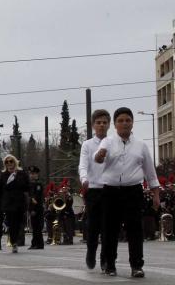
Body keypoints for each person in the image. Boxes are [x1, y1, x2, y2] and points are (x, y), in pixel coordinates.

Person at [95, 107, 160, 278]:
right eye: (120, 120)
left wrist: (156, 194)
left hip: (133, 191)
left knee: (135, 229)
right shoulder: (107, 142)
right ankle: (110, 264)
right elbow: (98, 157)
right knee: (110, 229)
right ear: (115, 124)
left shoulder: (141, 145)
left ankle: (136, 265)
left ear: (132, 123)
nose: (124, 123)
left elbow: (150, 172)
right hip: (111, 191)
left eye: (128, 120)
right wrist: (100, 155)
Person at [78, 109, 109, 268]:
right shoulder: (87, 145)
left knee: (108, 227)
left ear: (108, 125)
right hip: (93, 190)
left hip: (110, 190)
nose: (101, 125)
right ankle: (91, 252)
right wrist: (84, 179)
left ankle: (106, 259)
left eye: (104, 122)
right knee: (93, 226)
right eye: (98, 122)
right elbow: (83, 165)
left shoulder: (113, 142)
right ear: (93, 125)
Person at [0, 154, 29, 253]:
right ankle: (14, 242)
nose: (9, 163)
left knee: (18, 223)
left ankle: (15, 239)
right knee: (11, 223)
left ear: (15, 162)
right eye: (7, 162)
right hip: (9, 203)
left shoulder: (21, 173)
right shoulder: (4, 175)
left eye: (11, 161)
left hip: (20, 202)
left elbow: (27, 187)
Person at [26, 166, 45, 250]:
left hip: (37, 209)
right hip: (32, 209)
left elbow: (37, 198)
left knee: (37, 227)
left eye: (33, 174)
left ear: (37, 174)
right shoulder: (30, 185)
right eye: (30, 174)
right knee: (34, 227)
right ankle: (36, 243)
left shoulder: (38, 185)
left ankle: (38, 244)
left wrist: (34, 209)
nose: (31, 175)